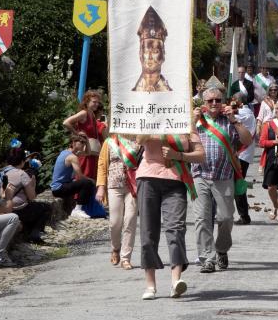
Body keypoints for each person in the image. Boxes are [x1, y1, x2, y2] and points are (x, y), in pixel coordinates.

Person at [136, 131, 204, 300]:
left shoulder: (185, 123)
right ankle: (150, 285)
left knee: (176, 228)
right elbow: (139, 140)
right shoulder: (148, 120)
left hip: (176, 181)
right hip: (147, 178)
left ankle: (176, 281)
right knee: (148, 231)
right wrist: (153, 127)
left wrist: (178, 155)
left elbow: (201, 155)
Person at [193, 87, 254, 271]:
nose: (214, 104)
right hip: (200, 174)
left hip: (224, 175)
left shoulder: (228, 121)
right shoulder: (196, 122)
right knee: (202, 219)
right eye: (210, 100)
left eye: (217, 100)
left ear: (222, 102)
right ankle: (207, 258)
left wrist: (234, 120)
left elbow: (247, 140)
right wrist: (191, 120)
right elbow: (182, 141)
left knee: (226, 218)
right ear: (203, 103)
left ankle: (221, 249)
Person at [96, 134, 140, 269]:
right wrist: (101, 187)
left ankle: (126, 258)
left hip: (133, 186)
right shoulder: (109, 142)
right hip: (114, 185)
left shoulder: (139, 139)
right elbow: (102, 165)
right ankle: (115, 248)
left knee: (130, 221)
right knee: (115, 222)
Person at [1, 146, 53, 243]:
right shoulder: (22, 174)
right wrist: (33, 184)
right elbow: (32, 197)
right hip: (17, 210)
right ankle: (34, 235)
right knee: (45, 208)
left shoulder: (1, 172)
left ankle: (27, 232)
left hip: (1, 208)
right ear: (22, 161)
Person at [63, 90, 108, 184]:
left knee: (91, 178)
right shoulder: (84, 113)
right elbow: (66, 122)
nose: (96, 104)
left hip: (91, 152)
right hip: (85, 152)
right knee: (84, 177)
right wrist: (77, 133)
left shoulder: (92, 114)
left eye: (97, 102)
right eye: (94, 102)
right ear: (87, 102)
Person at [50, 135, 97, 216]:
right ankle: (77, 210)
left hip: (58, 187)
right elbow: (80, 176)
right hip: (59, 189)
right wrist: (92, 180)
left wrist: (87, 141)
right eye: (81, 142)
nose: (83, 144)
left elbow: (88, 153)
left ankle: (81, 207)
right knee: (87, 183)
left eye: (84, 143)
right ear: (73, 143)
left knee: (83, 182)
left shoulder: (66, 152)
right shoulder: (72, 157)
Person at [132, 6, 172, 92]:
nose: (150, 57)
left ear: (163, 54)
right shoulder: (132, 93)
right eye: (146, 51)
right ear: (140, 54)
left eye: (155, 51)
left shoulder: (170, 94)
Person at [230, 92, 257, 225]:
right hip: (239, 154)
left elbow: (232, 115)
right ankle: (242, 214)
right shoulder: (241, 112)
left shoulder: (245, 113)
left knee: (237, 184)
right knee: (235, 183)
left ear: (238, 102)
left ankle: (244, 216)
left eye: (233, 101)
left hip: (242, 154)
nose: (231, 103)